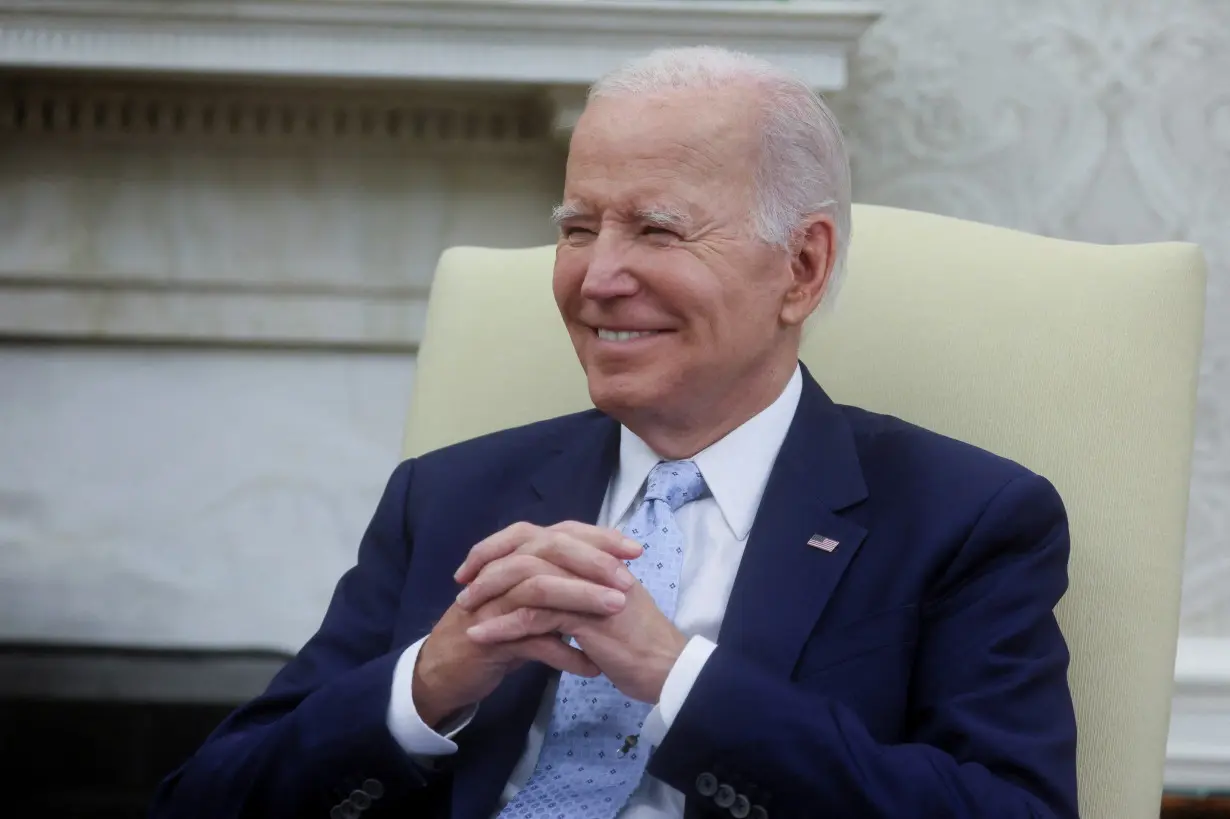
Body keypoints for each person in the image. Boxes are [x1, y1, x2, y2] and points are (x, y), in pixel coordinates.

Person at [149, 46, 1078, 819]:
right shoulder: (449, 496)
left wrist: (676, 679)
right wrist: (428, 682)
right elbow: (201, 802)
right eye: (579, 227)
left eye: (656, 230)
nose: (596, 278)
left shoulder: (966, 517)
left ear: (800, 266)